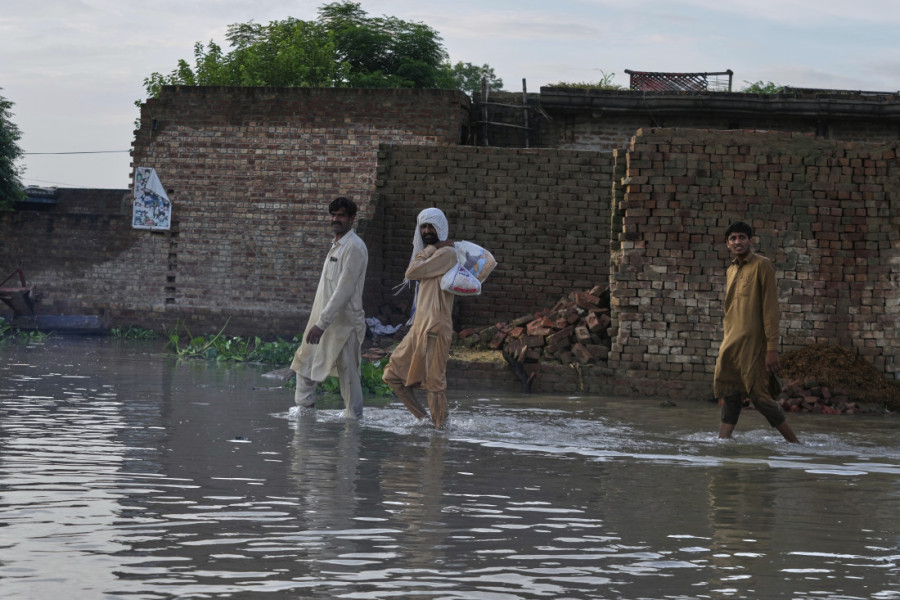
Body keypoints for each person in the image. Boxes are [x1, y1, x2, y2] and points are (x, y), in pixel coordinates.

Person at [714, 221, 799, 443]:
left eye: (742, 237)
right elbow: (729, 308)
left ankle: (795, 445)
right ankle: (722, 445)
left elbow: (771, 309)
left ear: (750, 240)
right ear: (727, 244)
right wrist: (726, 340)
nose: (737, 242)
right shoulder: (731, 269)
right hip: (731, 340)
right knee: (730, 392)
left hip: (754, 342)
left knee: (759, 396)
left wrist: (771, 349)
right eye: (733, 238)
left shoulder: (763, 265)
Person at [290, 196, 368, 418]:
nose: (336, 219)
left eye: (341, 215)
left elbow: (344, 291)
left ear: (352, 218)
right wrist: (320, 322)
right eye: (333, 215)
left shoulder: (354, 247)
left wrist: (322, 324)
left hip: (344, 324)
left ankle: (354, 424)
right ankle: (304, 414)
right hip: (322, 320)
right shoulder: (337, 245)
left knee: (349, 376)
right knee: (303, 363)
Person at [382, 207, 458, 429]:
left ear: (440, 228)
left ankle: (440, 435)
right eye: (423, 226)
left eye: (431, 226)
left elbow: (411, 272)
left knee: (435, 385)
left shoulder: (447, 254)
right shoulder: (433, 254)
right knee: (392, 375)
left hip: (435, 327)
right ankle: (425, 421)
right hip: (418, 327)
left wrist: (432, 248)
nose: (426, 231)